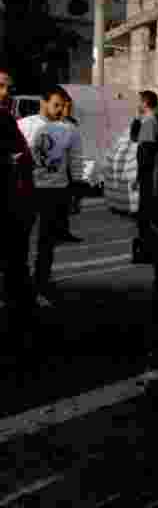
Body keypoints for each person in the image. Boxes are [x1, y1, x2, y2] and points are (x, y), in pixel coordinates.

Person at [17, 87, 79, 307]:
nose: (60, 109)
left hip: (56, 191)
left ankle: (41, 285)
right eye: (56, 104)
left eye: (63, 105)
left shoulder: (69, 129)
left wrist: (76, 188)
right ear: (43, 102)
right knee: (20, 239)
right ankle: (20, 287)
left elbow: (75, 159)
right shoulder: (25, 125)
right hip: (29, 189)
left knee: (47, 242)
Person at [0, 66, 37, 338]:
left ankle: (21, 310)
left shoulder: (7, 118)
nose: (5, 93)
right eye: (1, 87)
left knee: (17, 260)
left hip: (17, 201)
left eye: (8, 88)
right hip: (8, 202)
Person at [132, 90, 158, 262]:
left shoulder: (150, 122)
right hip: (150, 173)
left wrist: (138, 176)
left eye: (139, 101)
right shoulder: (154, 120)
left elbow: (145, 151)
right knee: (147, 213)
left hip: (148, 175)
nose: (138, 104)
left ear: (145, 103)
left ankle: (147, 250)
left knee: (145, 214)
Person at [56, 94, 84, 243]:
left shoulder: (72, 124)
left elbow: (76, 149)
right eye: (66, 106)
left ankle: (64, 231)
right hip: (56, 168)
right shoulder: (53, 123)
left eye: (70, 107)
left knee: (66, 203)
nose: (68, 109)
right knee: (56, 203)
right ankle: (55, 232)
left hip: (69, 167)